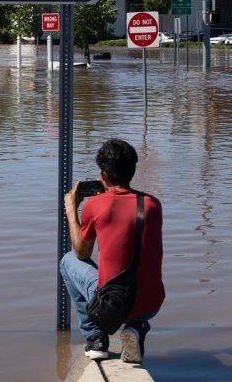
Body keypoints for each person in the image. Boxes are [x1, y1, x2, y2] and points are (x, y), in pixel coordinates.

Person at [60, 138, 164, 363]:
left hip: (114, 305)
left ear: (103, 175)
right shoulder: (154, 205)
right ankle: (136, 328)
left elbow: (82, 253)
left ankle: (96, 337)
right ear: (132, 171)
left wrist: (71, 210)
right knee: (138, 269)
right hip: (152, 304)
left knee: (67, 261)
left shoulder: (95, 206)